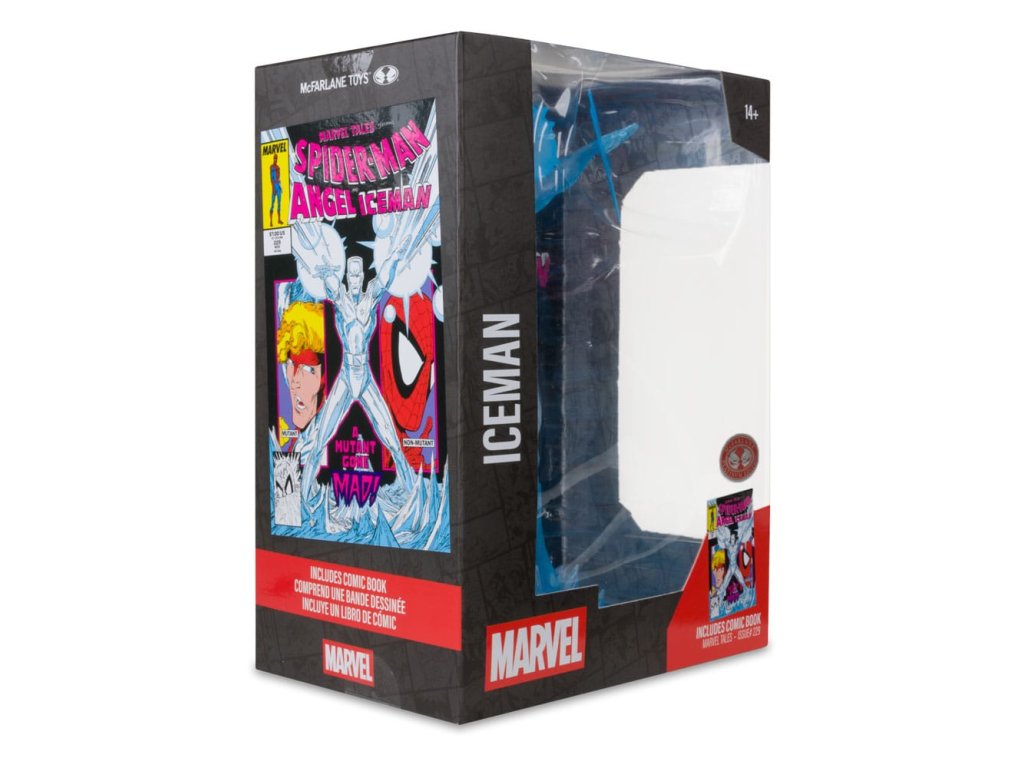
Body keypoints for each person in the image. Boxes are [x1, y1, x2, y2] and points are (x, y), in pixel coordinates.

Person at [269, 153, 283, 226]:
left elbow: (278, 178)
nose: (275, 159)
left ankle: (279, 219)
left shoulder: (278, 167)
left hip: (278, 187)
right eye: (274, 158)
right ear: (273, 159)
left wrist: (279, 185)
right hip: (274, 187)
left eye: (276, 158)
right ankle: (271, 221)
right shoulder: (271, 167)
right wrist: (273, 188)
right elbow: (271, 179)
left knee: (279, 204)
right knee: (272, 203)